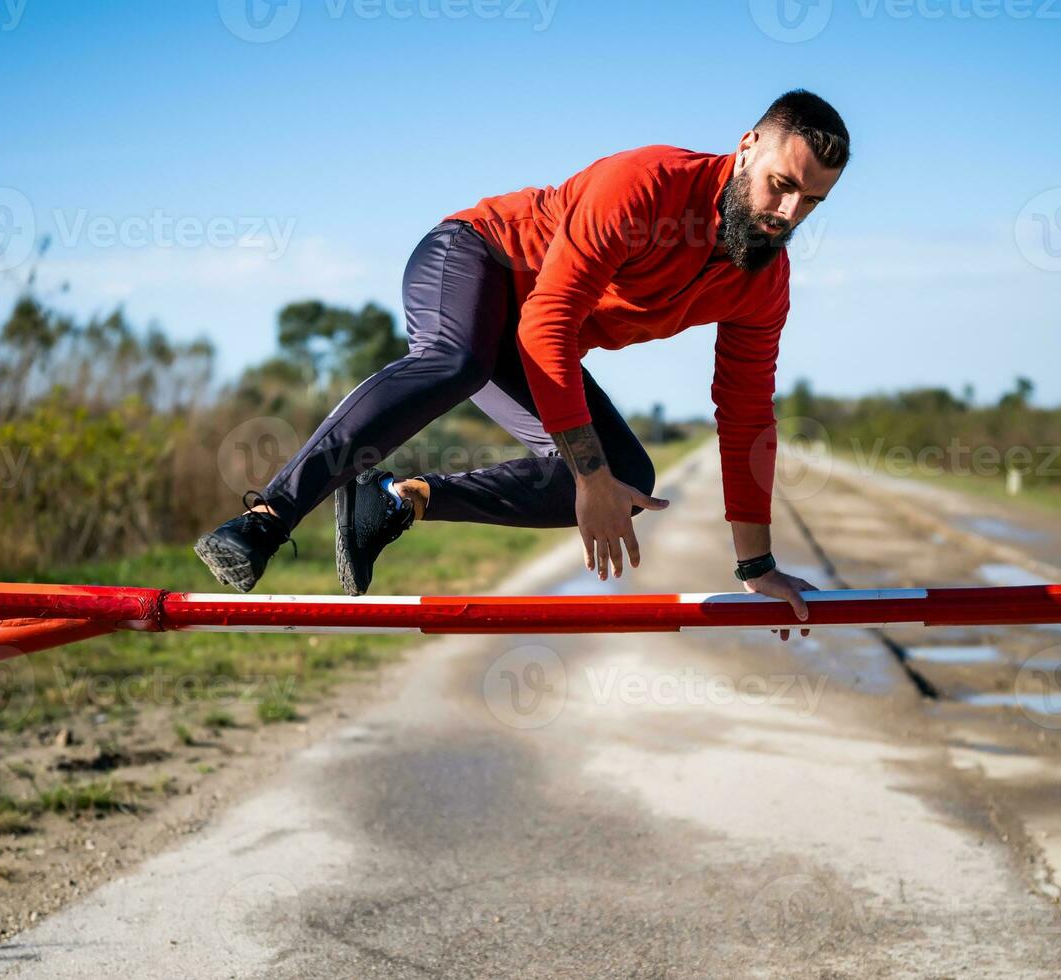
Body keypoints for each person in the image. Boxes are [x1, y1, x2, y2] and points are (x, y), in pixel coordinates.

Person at [195, 89, 848, 631]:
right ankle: (268, 516)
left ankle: (395, 499)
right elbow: (548, 322)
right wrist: (586, 478)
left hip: (525, 338)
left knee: (623, 476)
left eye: (812, 202)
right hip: (475, 257)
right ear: (745, 149)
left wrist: (755, 566)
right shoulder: (644, 186)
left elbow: (745, 415)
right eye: (781, 186)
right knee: (457, 362)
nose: (788, 215)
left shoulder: (762, 281)